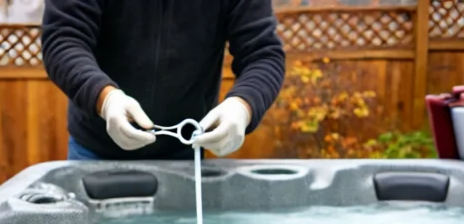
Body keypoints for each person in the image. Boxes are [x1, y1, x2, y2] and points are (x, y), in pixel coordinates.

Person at [41, 0, 286, 161]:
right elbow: (64, 41)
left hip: (185, 150)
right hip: (96, 149)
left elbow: (263, 55)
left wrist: (242, 106)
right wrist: (105, 99)